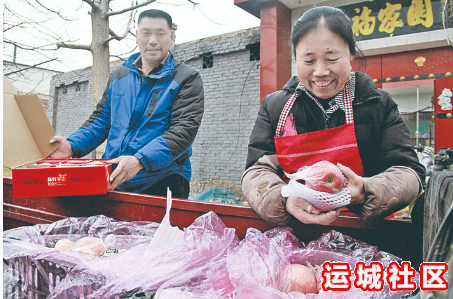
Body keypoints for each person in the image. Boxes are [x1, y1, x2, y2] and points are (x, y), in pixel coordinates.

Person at [242, 6, 425, 226]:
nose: (320, 71)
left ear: (350, 55)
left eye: (331, 59)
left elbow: (409, 173)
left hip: (369, 233)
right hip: (293, 231)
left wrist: (366, 191)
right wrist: (284, 198)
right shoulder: (275, 107)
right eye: (308, 61)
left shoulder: (379, 105)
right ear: (296, 58)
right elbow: (256, 170)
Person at [50, 9, 204, 199]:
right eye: (146, 33)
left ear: (171, 37)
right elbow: (101, 120)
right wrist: (72, 145)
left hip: (162, 178)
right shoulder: (119, 76)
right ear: (137, 36)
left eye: (160, 33)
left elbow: (183, 130)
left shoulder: (186, 78)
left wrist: (141, 160)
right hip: (114, 176)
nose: (153, 40)